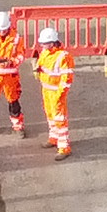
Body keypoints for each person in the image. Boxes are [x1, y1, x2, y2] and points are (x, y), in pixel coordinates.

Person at [34, 28, 77, 160]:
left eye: (44, 43)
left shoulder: (63, 56)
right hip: (47, 91)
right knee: (50, 116)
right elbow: (42, 66)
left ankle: (64, 148)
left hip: (56, 93)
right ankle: (54, 138)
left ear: (52, 43)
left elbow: (67, 79)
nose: (41, 45)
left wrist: (60, 95)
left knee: (59, 120)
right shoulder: (45, 52)